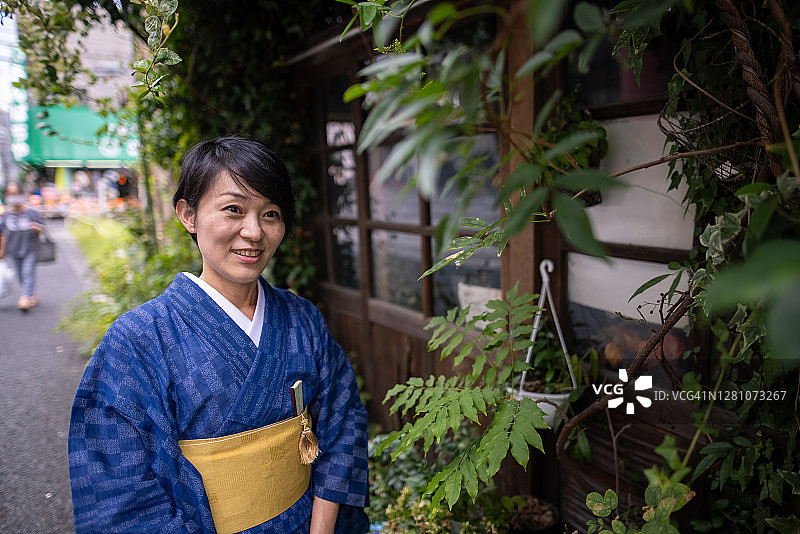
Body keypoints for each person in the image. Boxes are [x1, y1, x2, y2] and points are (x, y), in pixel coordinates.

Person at [68, 137, 370, 533]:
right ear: (188, 215)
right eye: (233, 209)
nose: (254, 232)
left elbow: (342, 420)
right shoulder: (137, 341)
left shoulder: (302, 318)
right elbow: (118, 490)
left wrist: (321, 529)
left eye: (271, 214)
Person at [0, 181, 44, 310]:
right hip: (13, 250)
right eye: (10, 194)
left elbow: (43, 228)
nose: (13, 196)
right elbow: (2, 233)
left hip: (29, 249)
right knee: (20, 275)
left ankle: (25, 297)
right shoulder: (6, 214)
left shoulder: (32, 213)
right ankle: (31, 295)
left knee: (27, 272)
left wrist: (37, 228)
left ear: (21, 193)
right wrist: (2, 250)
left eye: (15, 193)